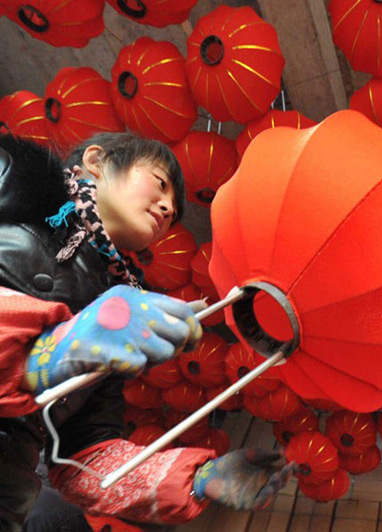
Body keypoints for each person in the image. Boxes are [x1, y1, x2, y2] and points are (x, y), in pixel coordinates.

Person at [0, 132, 294, 531]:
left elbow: (83, 463)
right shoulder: (14, 176)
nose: (168, 207)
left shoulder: (116, 307)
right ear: (97, 161)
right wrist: (55, 353)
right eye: (159, 182)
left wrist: (198, 480)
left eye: (172, 214)